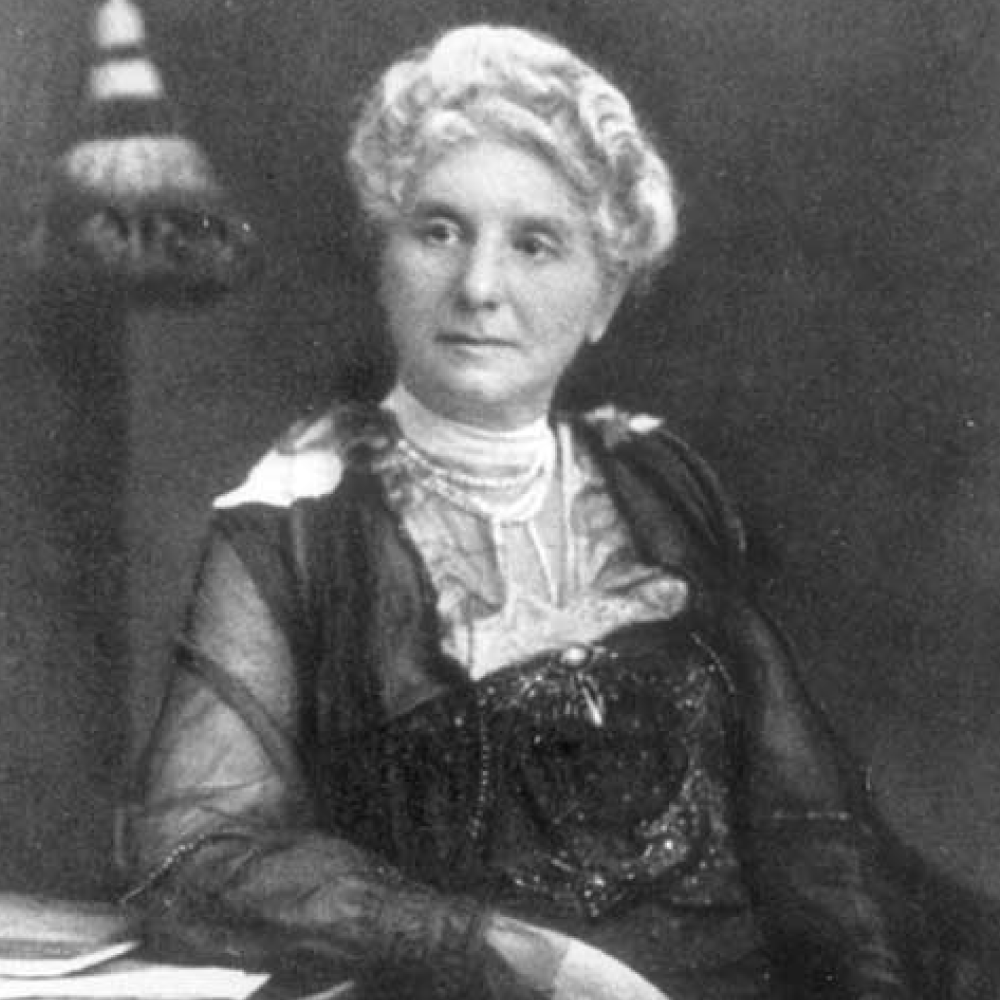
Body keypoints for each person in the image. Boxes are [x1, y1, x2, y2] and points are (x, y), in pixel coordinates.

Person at [126, 24, 916, 1000]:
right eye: (439, 231)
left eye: (535, 244)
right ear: (383, 260)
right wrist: (509, 952)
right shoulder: (293, 521)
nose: (480, 287)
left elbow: (808, 827)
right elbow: (193, 855)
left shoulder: (660, 481)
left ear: (604, 295)